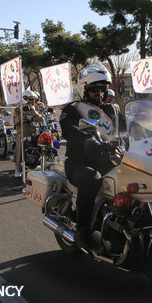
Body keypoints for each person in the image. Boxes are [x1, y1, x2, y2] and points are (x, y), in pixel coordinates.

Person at [59, 64, 121, 250]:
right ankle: (82, 230)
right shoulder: (72, 109)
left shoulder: (111, 110)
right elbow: (69, 130)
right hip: (79, 163)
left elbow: (130, 127)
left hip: (107, 160)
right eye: (95, 89)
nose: (100, 93)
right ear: (84, 89)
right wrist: (86, 140)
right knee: (91, 178)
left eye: (103, 89)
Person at [12, 90, 46, 178]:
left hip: (35, 132)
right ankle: (17, 170)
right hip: (23, 132)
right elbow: (15, 121)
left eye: (34, 99)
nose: (33, 101)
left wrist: (34, 111)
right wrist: (23, 114)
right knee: (19, 148)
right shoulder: (18, 108)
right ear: (25, 99)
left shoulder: (36, 107)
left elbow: (42, 119)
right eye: (31, 99)